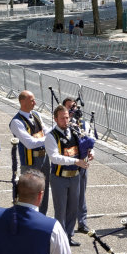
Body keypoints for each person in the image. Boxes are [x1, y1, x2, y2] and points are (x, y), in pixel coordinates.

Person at [47, 105, 88, 245]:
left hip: (75, 176)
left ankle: (68, 236)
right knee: (61, 210)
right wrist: (76, 161)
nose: (65, 121)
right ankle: (59, 239)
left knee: (73, 208)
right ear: (55, 119)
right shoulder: (51, 136)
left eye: (67, 117)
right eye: (62, 118)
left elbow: (83, 146)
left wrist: (90, 153)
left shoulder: (74, 132)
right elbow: (54, 158)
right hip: (59, 177)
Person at [9, 90, 50, 214]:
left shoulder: (36, 115)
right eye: (31, 100)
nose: (35, 103)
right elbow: (30, 143)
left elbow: (46, 130)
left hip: (44, 159)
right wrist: (49, 139)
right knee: (30, 193)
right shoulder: (16, 122)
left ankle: (42, 216)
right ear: (22, 102)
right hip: (30, 162)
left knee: (43, 191)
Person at [63, 97, 92, 233]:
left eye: (74, 107)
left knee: (81, 195)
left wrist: (91, 152)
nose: (72, 110)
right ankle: (68, 226)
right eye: (69, 107)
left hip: (82, 165)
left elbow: (89, 139)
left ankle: (82, 222)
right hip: (69, 166)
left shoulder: (83, 124)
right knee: (69, 196)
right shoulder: (63, 126)